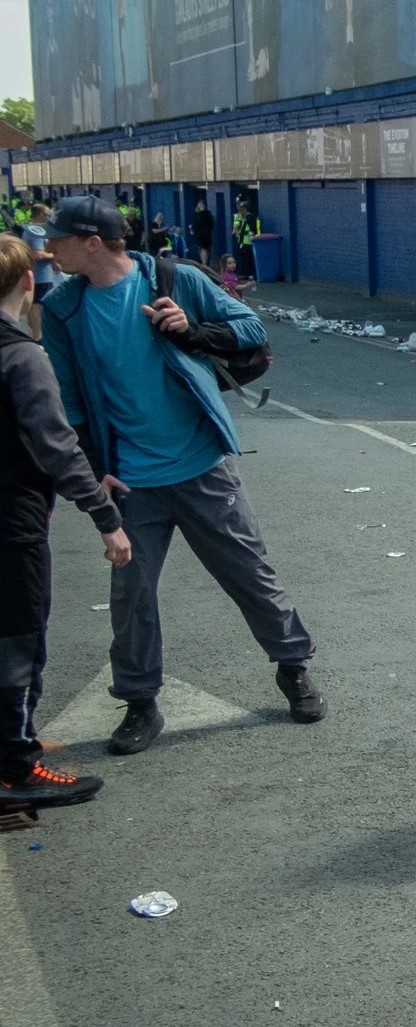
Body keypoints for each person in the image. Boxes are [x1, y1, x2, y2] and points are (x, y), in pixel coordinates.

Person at [39, 196, 322, 756]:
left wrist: (191, 329)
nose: (50, 249)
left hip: (201, 466)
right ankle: (141, 703)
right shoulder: (64, 306)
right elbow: (69, 399)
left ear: (93, 241)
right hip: (131, 480)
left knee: (249, 573)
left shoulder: (172, 277)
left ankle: (293, 667)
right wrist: (97, 472)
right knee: (131, 595)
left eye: (58, 238)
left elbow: (249, 327)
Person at [0, 235, 128, 807]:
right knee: (18, 641)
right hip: (11, 521)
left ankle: (13, 741)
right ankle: (17, 770)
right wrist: (104, 515)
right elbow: (55, 443)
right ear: (29, 284)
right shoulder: (22, 355)